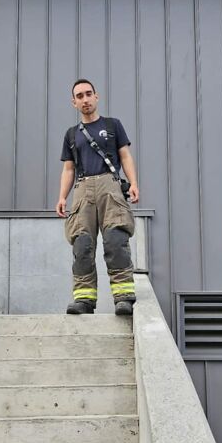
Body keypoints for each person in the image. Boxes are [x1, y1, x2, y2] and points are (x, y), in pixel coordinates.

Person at [55, 79, 139, 316]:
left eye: (88, 94)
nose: (85, 99)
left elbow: (125, 155)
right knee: (82, 245)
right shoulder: (71, 134)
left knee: (115, 240)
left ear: (96, 96)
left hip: (110, 186)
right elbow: (68, 169)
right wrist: (62, 197)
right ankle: (84, 299)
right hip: (82, 190)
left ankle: (123, 297)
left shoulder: (113, 125)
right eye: (79, 96)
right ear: (74, 102)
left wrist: (133, 183)